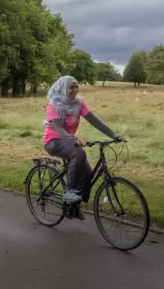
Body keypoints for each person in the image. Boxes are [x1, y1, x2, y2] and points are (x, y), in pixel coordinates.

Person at [42, 75, 122, 220]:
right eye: (71, 87)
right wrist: (76, 140)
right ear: (63, 89)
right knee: (79, 154)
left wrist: (113, 135)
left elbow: (94, 121)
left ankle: (73, 206)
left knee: (89, 175)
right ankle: (68, 193)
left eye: (76, 86)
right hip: (54, 141)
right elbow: (59, 130)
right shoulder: (54, 105)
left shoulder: (79, 103)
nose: (75, 90)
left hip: (69, 142)